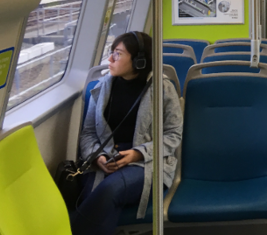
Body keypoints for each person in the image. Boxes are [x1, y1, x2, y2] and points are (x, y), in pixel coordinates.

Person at [70, 32, 183, 235]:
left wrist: (137, 153)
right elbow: (88, 134)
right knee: (95, 195)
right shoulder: (101, 88)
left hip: (146, 162)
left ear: (139, 61)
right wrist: (98, 157)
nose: (110, 59)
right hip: (105, 159)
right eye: (111, 53)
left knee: (108, 191)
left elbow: (173, 134)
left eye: (118, 54)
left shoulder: (163, 88)